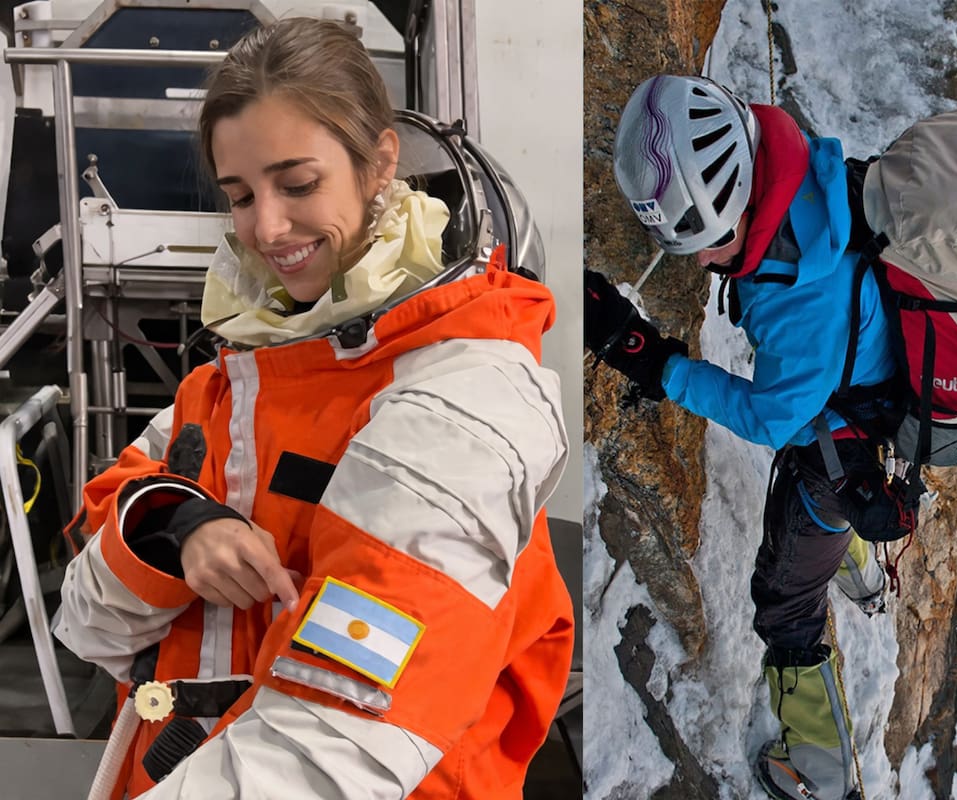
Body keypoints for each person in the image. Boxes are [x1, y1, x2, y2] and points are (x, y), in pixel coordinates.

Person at [53, 18, 572, 799]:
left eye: (298, 185)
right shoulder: (232, 377)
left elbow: (335, 745)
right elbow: (87, 623)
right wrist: (175, 524)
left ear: (379, 165)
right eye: (240, 195)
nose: (266, 227)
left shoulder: (464, 395)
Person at [584, 74, 899, 800]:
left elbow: (774, 420)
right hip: (863, 390)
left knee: (784, 602)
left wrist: (656, 362)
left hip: (837, 428)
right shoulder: (798, 184)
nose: (696, 262)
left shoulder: (799, 297)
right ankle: (861, 571)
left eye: (702, 240)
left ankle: (821, 765)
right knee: (840, 486)